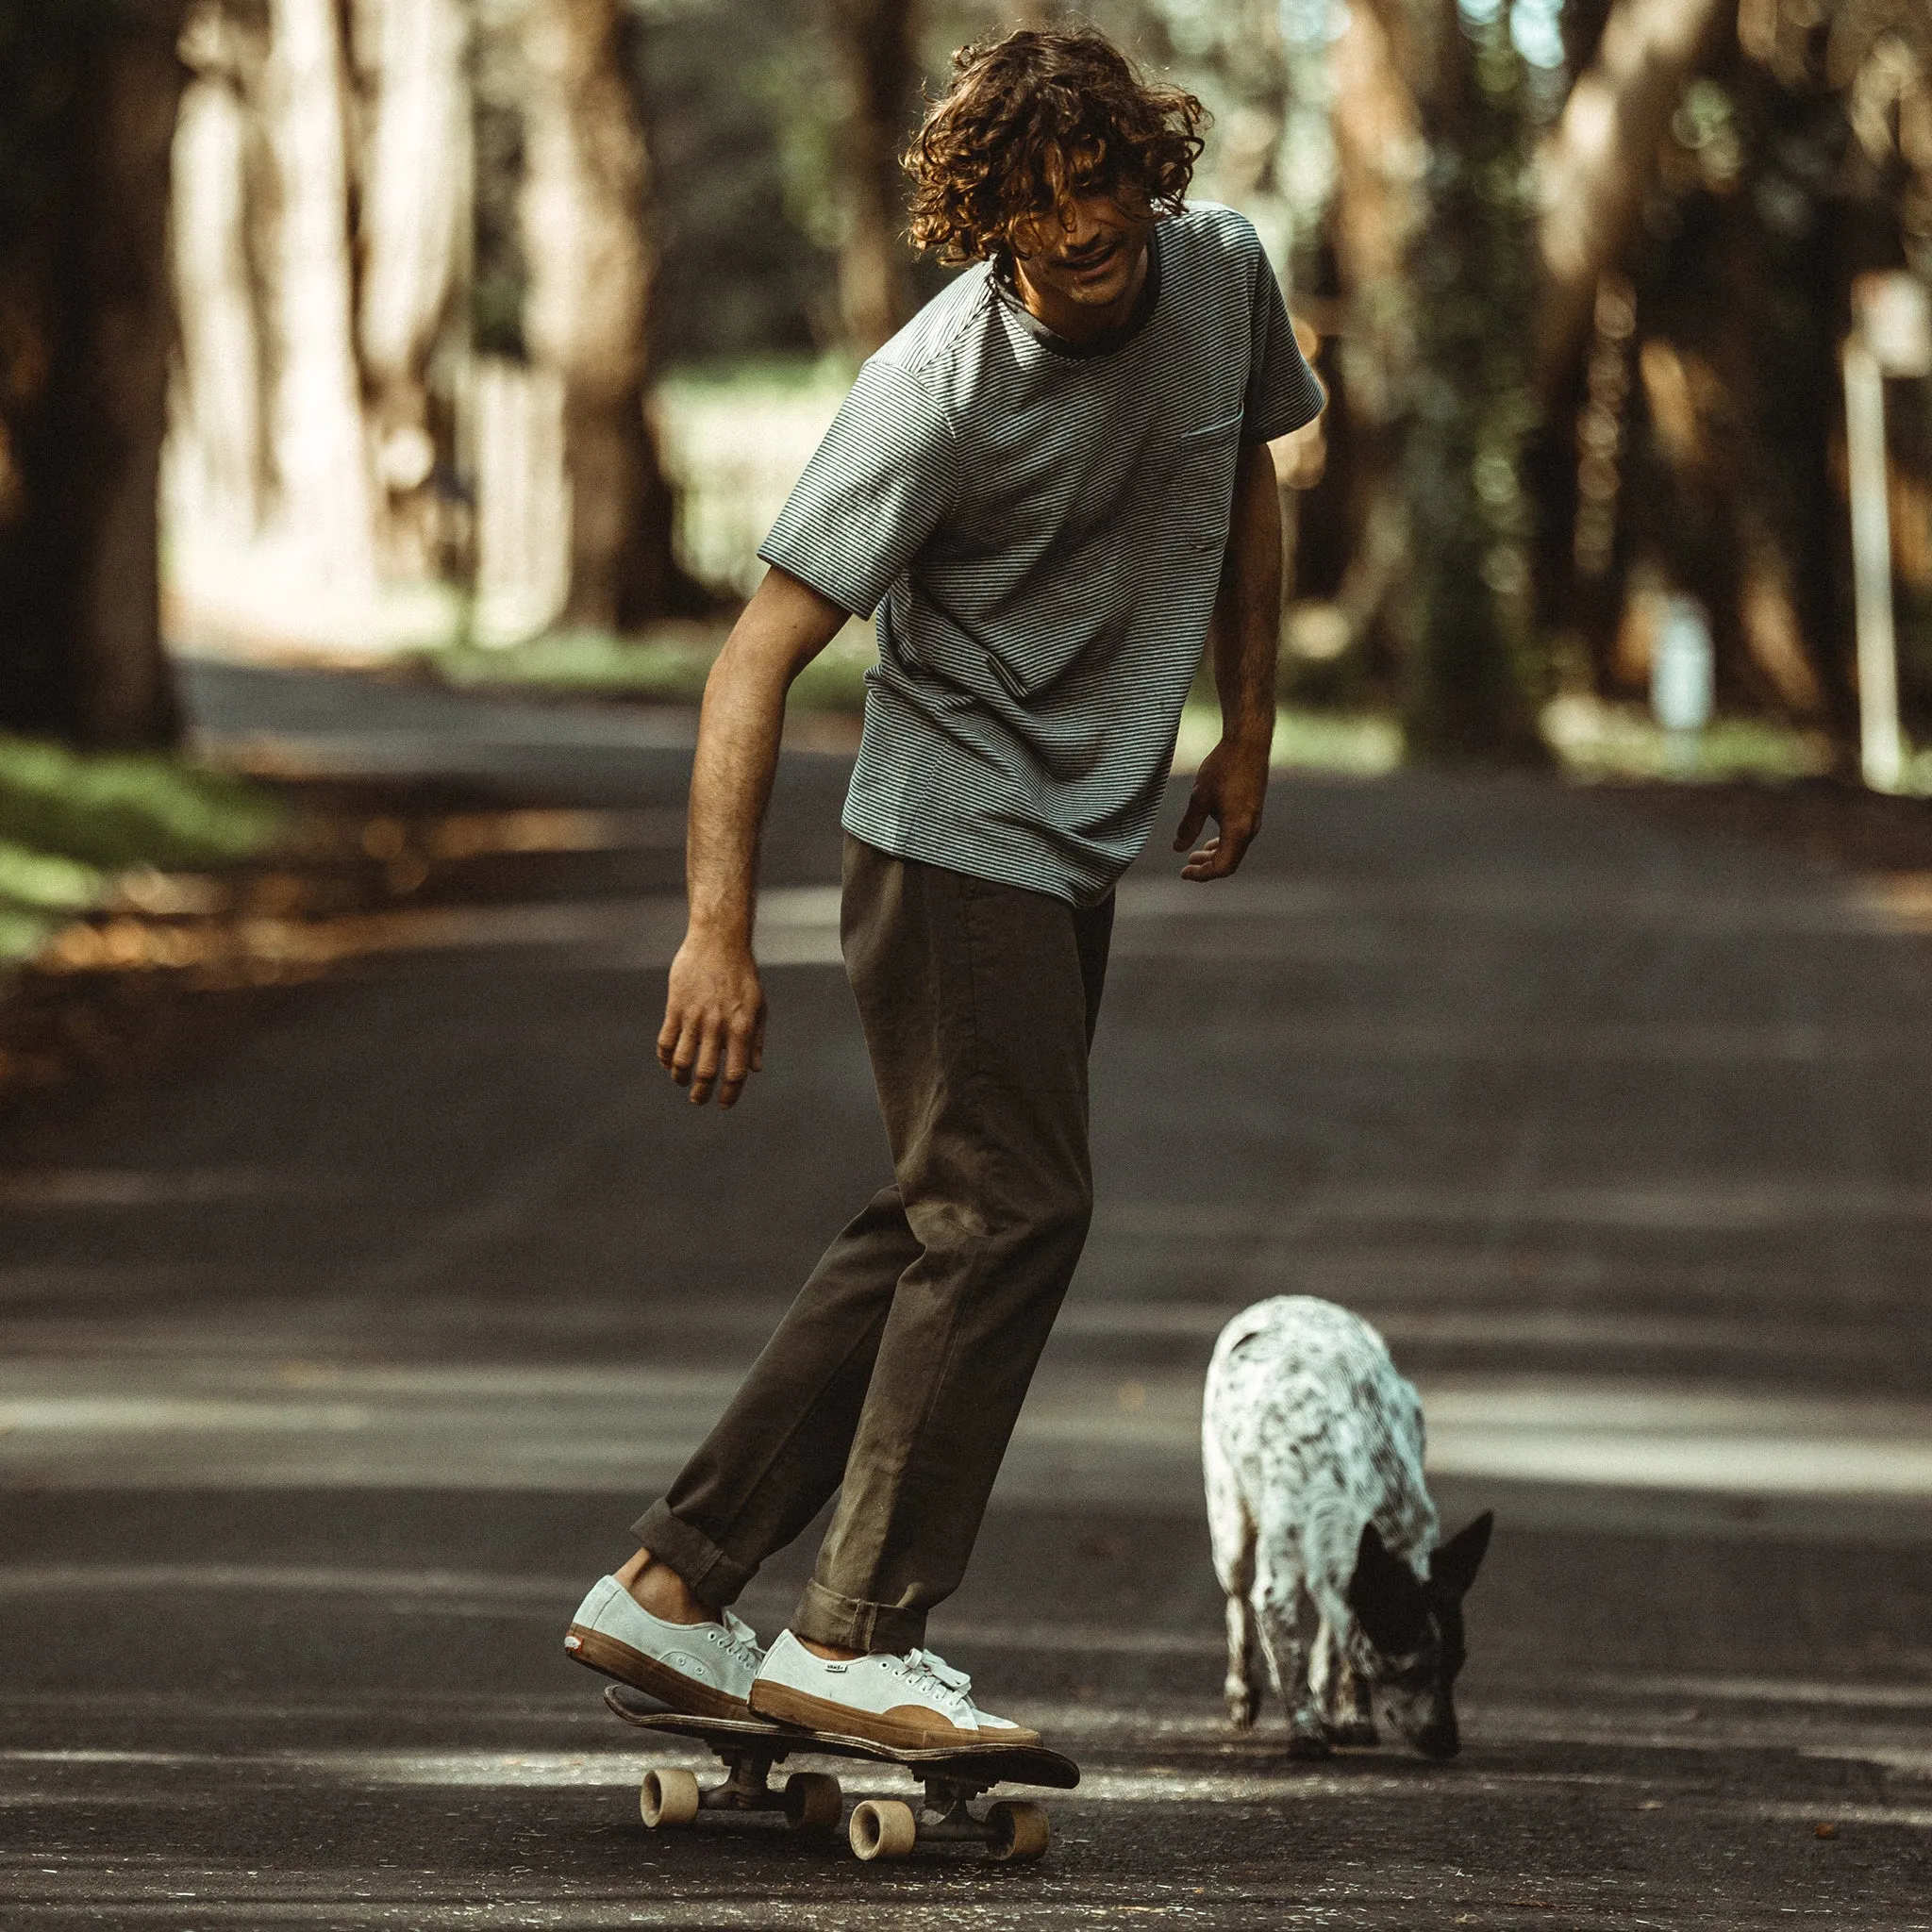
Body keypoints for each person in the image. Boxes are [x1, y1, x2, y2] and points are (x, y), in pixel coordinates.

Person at [564, 22, 1324, 1751]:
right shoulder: (937, 387)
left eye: (1105, 203)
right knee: (1016, 1211)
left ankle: (677, 1584)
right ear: (987, 221)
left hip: (1079, 827)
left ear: (1152, 177)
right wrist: (712, 934)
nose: (1078, 247)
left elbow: (1255, 476)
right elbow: (754, 661)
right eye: (1040, 222)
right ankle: (854, 1632)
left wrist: (1251, 733)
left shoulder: (1220, 281)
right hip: (945, 829)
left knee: (942, 1215)